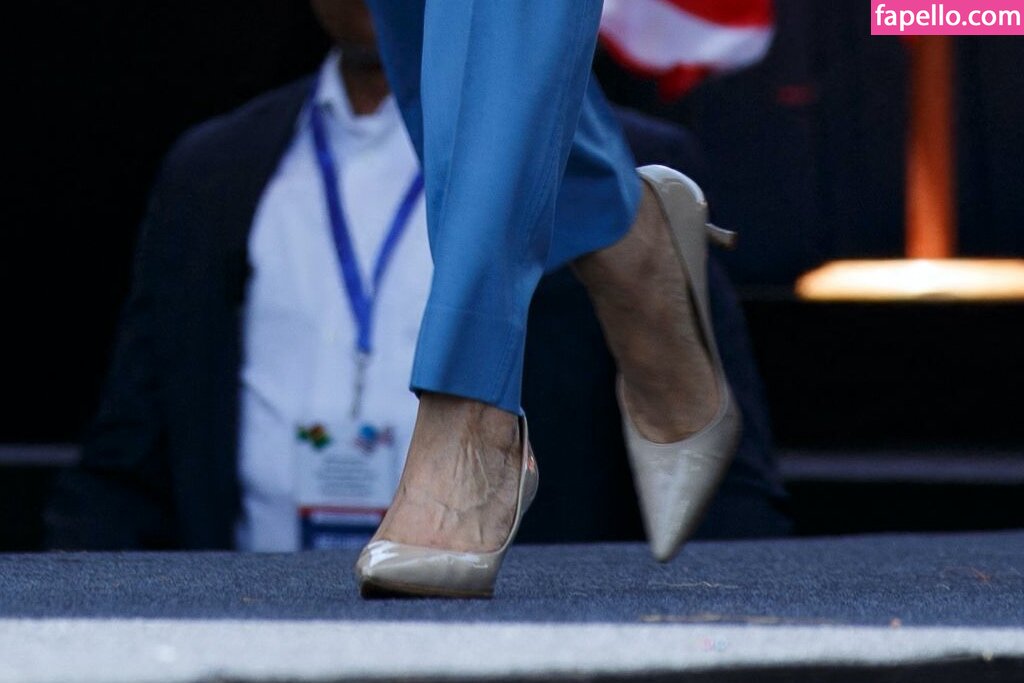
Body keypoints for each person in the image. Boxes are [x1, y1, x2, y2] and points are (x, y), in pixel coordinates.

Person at [46, 1, 789, 564]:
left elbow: (740, 519)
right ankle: (620, 229)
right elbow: (126, 457)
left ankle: (473, 411)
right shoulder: (216, 170)